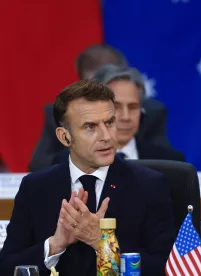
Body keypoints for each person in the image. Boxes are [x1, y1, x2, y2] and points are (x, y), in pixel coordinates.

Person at [0, 80, 176, 276]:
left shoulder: (149, 186)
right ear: (65, 137)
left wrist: (102, 242)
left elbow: (167, 268)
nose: (106, 136)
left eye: (109, 122)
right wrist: (55, 244)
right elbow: (7, 266)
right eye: (90, 127)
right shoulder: (35, 188)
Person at [29, 44, 170, 172]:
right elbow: (39, 166)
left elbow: (166, 162)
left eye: (133, 107)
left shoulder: (152, 113)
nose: (126, 116)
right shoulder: (62, 113)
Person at [53, 64, 185, 163]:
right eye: (116, 107)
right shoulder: (67, 161)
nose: (126, 117)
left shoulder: (170, 162)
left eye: (133, 107)